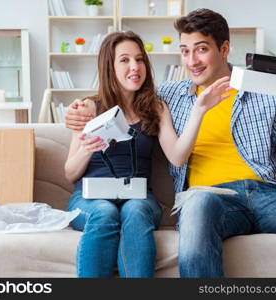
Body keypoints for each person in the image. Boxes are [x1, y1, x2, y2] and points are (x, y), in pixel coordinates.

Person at [64, 30, 232, 278]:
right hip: (89, 197)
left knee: (136, 210)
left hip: (139, 197)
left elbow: (177, 157)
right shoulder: (89, 107)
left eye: (140, 59)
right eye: (124, 60)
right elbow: (70, 173)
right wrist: (87, 150)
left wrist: (199, 111)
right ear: (109, 66)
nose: (135, 67)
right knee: (104, 213)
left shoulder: (156, 107)